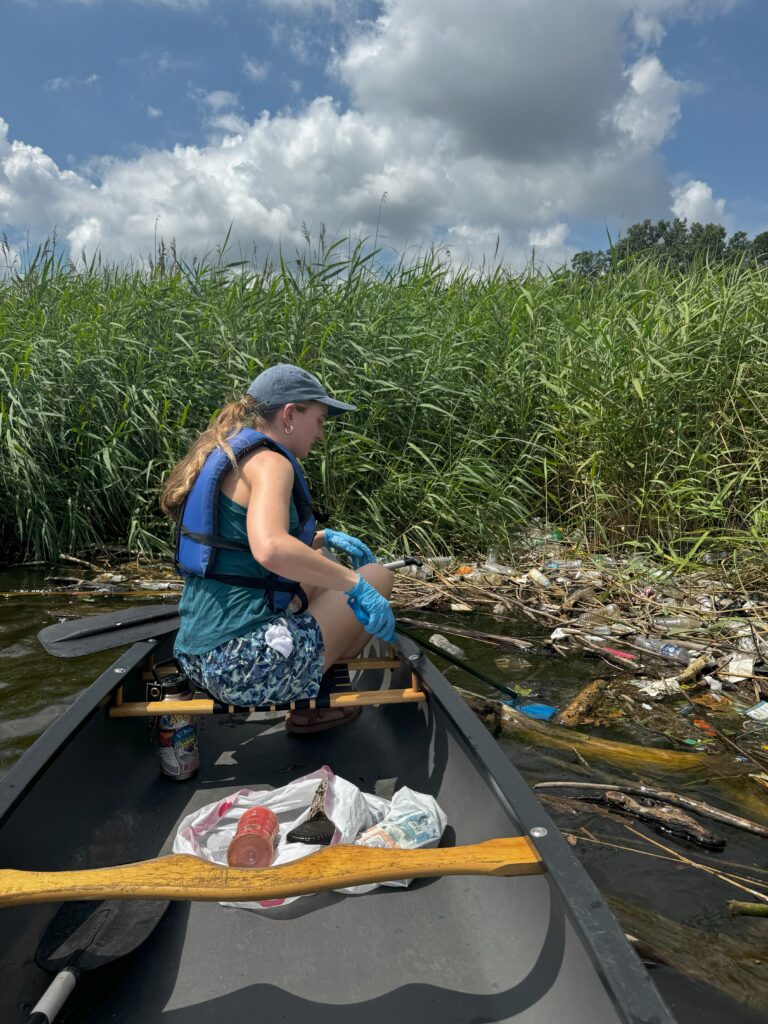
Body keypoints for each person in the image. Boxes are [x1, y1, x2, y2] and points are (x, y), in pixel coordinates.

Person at [159, 363, 395, 734]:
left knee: (320, 561)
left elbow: (243, 548)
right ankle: (311, 697)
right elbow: (269, 549)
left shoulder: (233, 452)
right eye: (318, 420)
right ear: (289, 415)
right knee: (378, 576)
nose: (320, 434)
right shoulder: (271, 463)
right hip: (244, 669)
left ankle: (310, 686)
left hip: (197, 658)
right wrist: (356, 583)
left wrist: (324, 538)